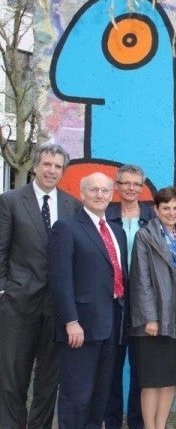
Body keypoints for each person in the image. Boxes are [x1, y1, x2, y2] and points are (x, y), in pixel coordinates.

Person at [0, 143, 80, 429]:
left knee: (48, 382)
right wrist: (3, 291)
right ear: (35, 166)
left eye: (58, 166)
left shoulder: (73, 205)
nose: (52, 170)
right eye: (47, 164)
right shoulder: (10, 201)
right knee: (12, 380)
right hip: (18, 305)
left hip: (58, 309)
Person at [48, 172, 128, 429]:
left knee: (99, 395)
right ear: (82, 194)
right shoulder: (66, 228)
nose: (100, 195)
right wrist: (71, 321)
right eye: (94, 190)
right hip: (81, 327)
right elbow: (60, 279)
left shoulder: (117, 231)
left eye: (105, 190)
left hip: (112, 324)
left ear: (111, 194)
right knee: (77, 396)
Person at [129, 187, 176, 429]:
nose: (171, 212)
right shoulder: (144, 236)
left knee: (170, 380)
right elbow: (141, 279)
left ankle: (161, 425)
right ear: (156, 209)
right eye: (165, 207)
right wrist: (150, 317)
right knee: (152, 381)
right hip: (154, 321)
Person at [105, 165, 155, 429]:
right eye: (126, 183)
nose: (131, 188)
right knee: (111, 369)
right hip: (112, 302)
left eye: (136, 184)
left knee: (141, 370)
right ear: (117, 185)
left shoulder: (153, 217)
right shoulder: (105, 214)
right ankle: (111, 422)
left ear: (142, 186)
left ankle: (137, 422)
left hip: (143, 304)